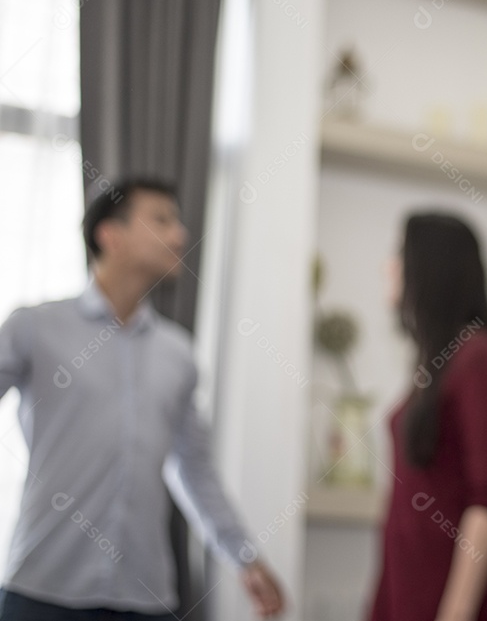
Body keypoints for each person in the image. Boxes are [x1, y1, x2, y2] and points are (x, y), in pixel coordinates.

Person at [0, 178, 284, 619]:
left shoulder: (178, 354)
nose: (180, 235)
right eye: (161, 220)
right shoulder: (34, 328)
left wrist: (243, 555)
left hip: (144, 599)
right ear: (109, 235)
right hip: (41, 591)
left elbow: (194, 470)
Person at [368, 212, 487, 621]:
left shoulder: (476, 359)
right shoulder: (435, 367)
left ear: (430, 267)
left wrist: (454, 614)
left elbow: (484, 504)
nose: (388, 266)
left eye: (399, 254)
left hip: (450, 603)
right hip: (408, 591)